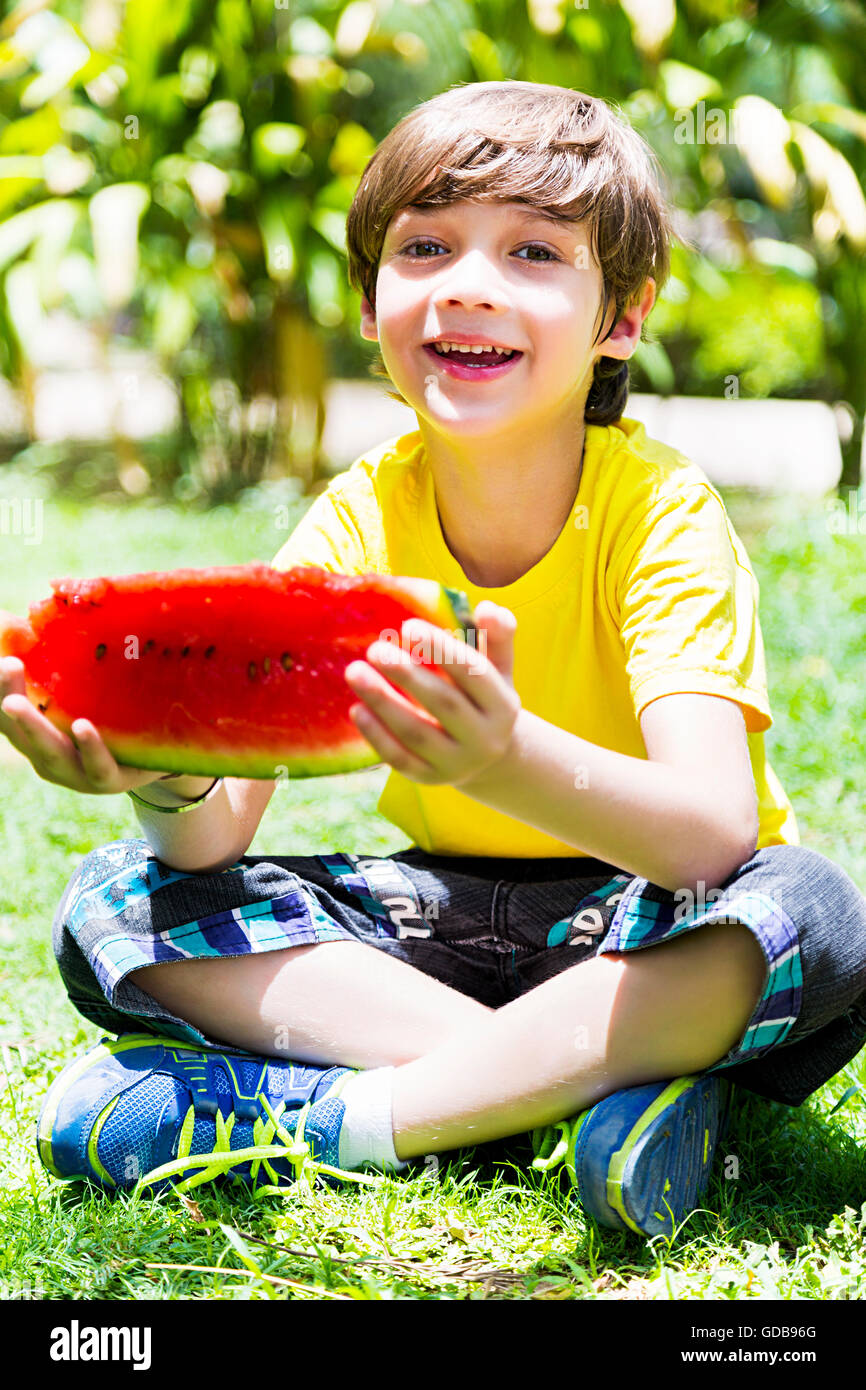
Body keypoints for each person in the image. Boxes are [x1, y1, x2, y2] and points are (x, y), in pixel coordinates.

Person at [7, 82, 866, 1237]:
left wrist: (502, 756)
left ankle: (347, 1120)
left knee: (812, 909)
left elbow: (712, 836)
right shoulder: (356, 518)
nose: (468, 282)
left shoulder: (658, 512)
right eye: (424, 246)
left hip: (648, 922)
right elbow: (216, 837)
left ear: (620, 317)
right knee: (115, 899)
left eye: (530, 252)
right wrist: (162, 772)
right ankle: (579, 1099)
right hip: (434, 929)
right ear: (371, 302)